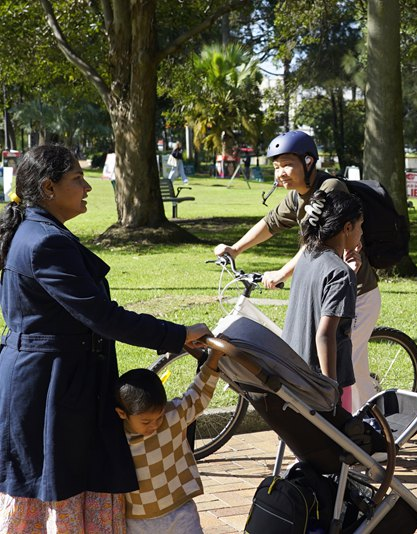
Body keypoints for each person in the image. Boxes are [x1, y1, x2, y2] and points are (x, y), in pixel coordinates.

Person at [0, 145, 210, 532]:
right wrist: (178, 335)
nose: (87, 187)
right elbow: (102, 317)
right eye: (77, 179)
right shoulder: (47, 241)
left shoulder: (32, 230)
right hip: (53, 385)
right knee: (58, 486)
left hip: (51, 378)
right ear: (48, 187)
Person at [214, 130, 381, 410]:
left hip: (353, 293)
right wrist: (235, 248)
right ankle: (375, 420)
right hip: (324, 294)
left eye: (287, 165)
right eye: (276, 167)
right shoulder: (296, 196)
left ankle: (349, 437)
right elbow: (270, 223)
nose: (281, 173)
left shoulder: (330, 190)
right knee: (355, 369)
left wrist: (282, 273)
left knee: (341, 366)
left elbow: (317, 242)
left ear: (308, 162)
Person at [114, 349, 222, 533]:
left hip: (180, 508)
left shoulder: (173, 416)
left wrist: (214, 359)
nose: (155, 425)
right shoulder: (115, 437)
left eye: (159, 417)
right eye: (146, 421)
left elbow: (197, 396)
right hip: (139, 521)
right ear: (122, 414)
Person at [282, 190, 362, 405]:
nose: (361, 232)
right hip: (323, 381)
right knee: (339, 437)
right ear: (347, 227)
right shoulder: (341, 274)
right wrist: (330, 389)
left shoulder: (308, 255)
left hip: (294, 371)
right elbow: (325, 335)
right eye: (360, 226)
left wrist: (348, 270)